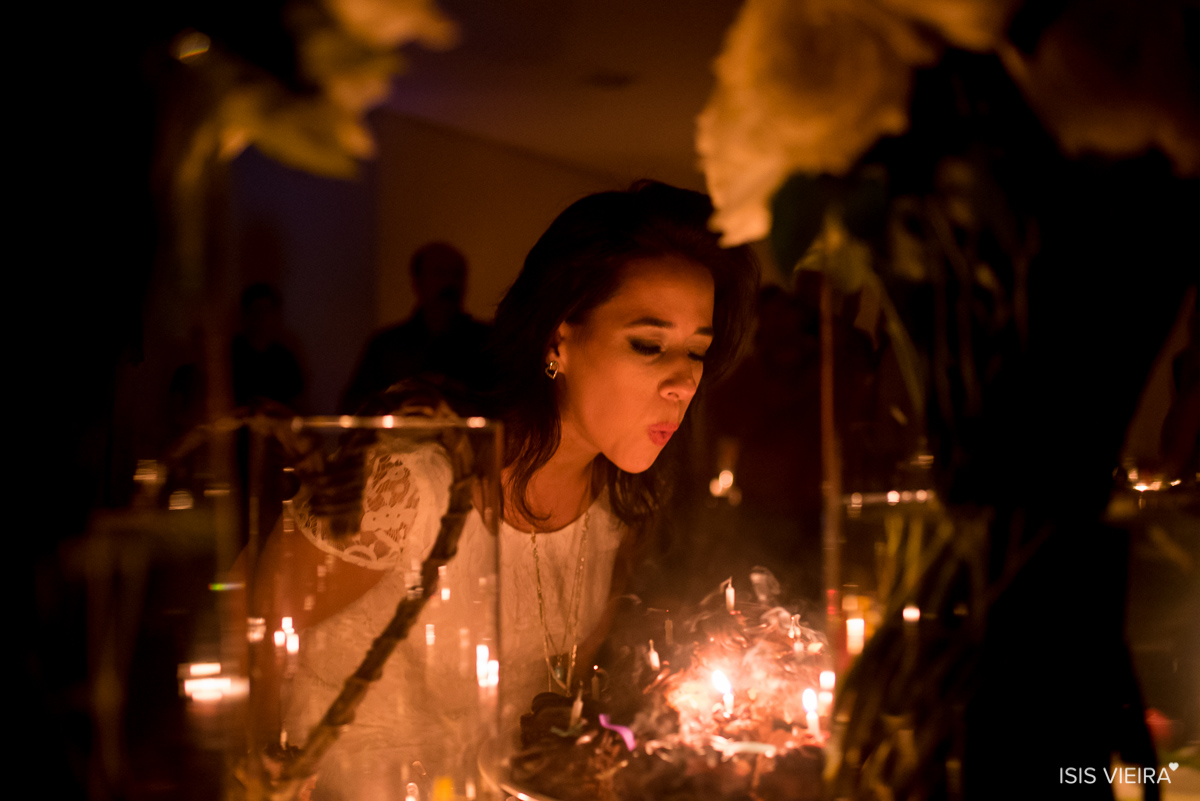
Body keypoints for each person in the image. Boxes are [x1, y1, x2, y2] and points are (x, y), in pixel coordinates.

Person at [246, 181, 758, 799]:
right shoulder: (414, 483)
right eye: (648, 345)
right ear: (558, 340)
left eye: (697, 351)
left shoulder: (619, 508)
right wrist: (261, 767)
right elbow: (244, 625)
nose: (681, 383)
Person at [340, 242, 493, 413]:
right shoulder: (386, 347)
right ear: (417, 281)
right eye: (440, 273)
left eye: (457, 274)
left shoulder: (488, 343)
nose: (449, 282)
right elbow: (355, 409)